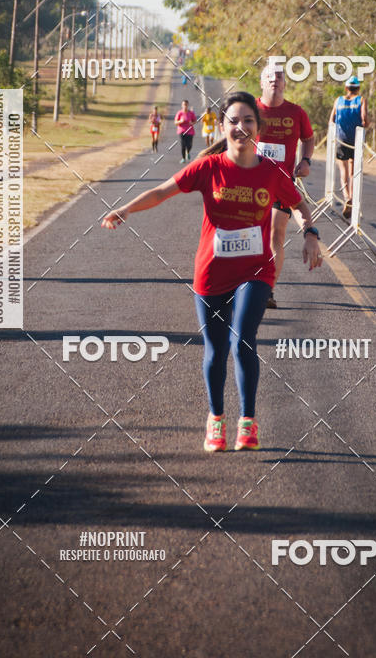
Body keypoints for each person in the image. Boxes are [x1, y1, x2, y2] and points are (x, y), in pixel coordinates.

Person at [102, 92, 322, 452]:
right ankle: (216, 419)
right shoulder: (208, 168)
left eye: (248, 121)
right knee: (215, 351)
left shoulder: (271, 171)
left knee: (243, 339)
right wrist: (126, 209)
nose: (241, 127)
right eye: (234, 121)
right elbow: (162, 191)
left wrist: (311, 233)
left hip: (255, 270)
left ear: (258, 128)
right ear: (222, 127)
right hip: (211, 272)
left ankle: (247, 422)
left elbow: (299, 204)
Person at [256, 63, 315, 309]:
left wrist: (305, 160)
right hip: (250, 182)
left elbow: (308, 137)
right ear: (262, 83)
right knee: (253, 236)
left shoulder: (296, 112)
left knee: (276, 234)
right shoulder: (252, 110)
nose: (274, 80)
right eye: (269, 77)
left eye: (279, 77)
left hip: (282, 183)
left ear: (284, 83)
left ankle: (268, 289)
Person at [329, 75, 370, 219]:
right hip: (355, 141)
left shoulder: (338, 100)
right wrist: (365, 124)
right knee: (353, 172)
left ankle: (347, 197)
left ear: (346, 88)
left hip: (341, 140)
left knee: (343, 170)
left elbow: (332, 120)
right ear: (358, 89)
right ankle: (352, 197)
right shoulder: (361, 100)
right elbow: (365, 120)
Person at [174, 99, 197, 163]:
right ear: (182, 105)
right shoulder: (179, 113)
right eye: (184, 105)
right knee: (183, 144)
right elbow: (175, 122)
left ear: (188, 105)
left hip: (190, 131)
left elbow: (195, 120)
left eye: (186, 105)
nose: (185, 106)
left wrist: (192, 123)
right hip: (182, 131)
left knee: (189, 144)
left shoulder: (191, 113)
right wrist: (180, 121)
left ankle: (188, 152)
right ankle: (183, 158)